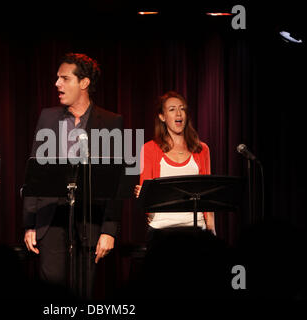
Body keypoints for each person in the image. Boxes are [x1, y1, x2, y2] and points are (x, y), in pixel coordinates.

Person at [23, 53, 123, 298]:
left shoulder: (111, 121)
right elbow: (35, 174)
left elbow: (116, 181)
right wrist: (29, 223)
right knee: (51, 290)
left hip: (90, 218)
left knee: (84, 291)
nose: (57, 84)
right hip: (50, 217)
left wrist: (109, 229)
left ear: (84, 83)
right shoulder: (47, 117)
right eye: (57, 78)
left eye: (64, 78)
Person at [134, 91, 216, 236]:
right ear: (162, 116)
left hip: (196, 228)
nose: (178, 114)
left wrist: (211, 228)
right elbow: (145, 197)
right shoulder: (149, 149)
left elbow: (207, 195)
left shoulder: (202, 149)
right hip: (162, 229)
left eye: (182, 108)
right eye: (172, 109)